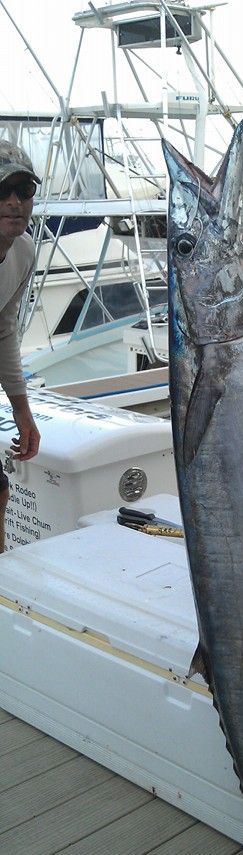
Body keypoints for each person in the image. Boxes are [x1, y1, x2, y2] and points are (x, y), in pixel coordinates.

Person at [0, 140, 41, 549]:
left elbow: (4, 328)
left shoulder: (23, 252)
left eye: (23, 191)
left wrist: (22, 412)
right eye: (2, 191)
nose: (13, 203)